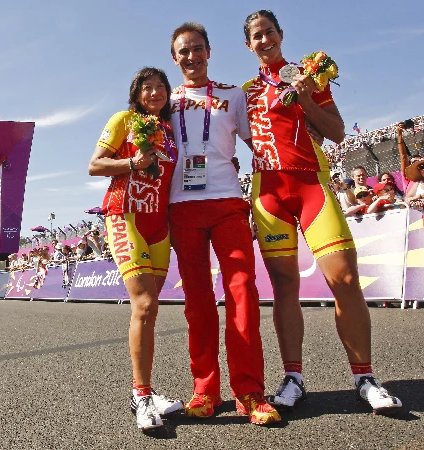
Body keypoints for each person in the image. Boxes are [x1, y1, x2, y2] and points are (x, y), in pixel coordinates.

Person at [242, 9, 401, 415]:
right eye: (256, 36)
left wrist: (308, 100)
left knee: (345, 278)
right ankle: (293, 376)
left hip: (312, 184)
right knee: (283, 286)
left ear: (280, 35)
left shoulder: (307, 76)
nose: (264, 40)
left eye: (269, 32)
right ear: (249, 45)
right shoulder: (243, 93)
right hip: (269, 193)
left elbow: (337, 131)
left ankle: (364, 376)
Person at [168, 22, 280, 425]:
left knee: (242, 294)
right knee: (198, 302)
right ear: (174, 58)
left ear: (209, 51)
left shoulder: (233, 96)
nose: (191, 56)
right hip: (181, 208)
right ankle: (204, 390)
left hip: (228, 202)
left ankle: (250, 391)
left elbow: (263, 142)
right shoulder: (164, 101)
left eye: (198, 48)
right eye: (184, 51)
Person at [88, 67, 182, 431]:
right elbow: (95, 164)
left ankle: (148, 390)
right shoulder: (124, 119)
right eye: (148, 88)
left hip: (160, 226)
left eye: (161, 87)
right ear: (136, 93)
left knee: (151, 309)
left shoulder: (172, 131)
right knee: (143, 305)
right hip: (125, 215)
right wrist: (131, 162)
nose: (155, 93)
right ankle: (140, 395)